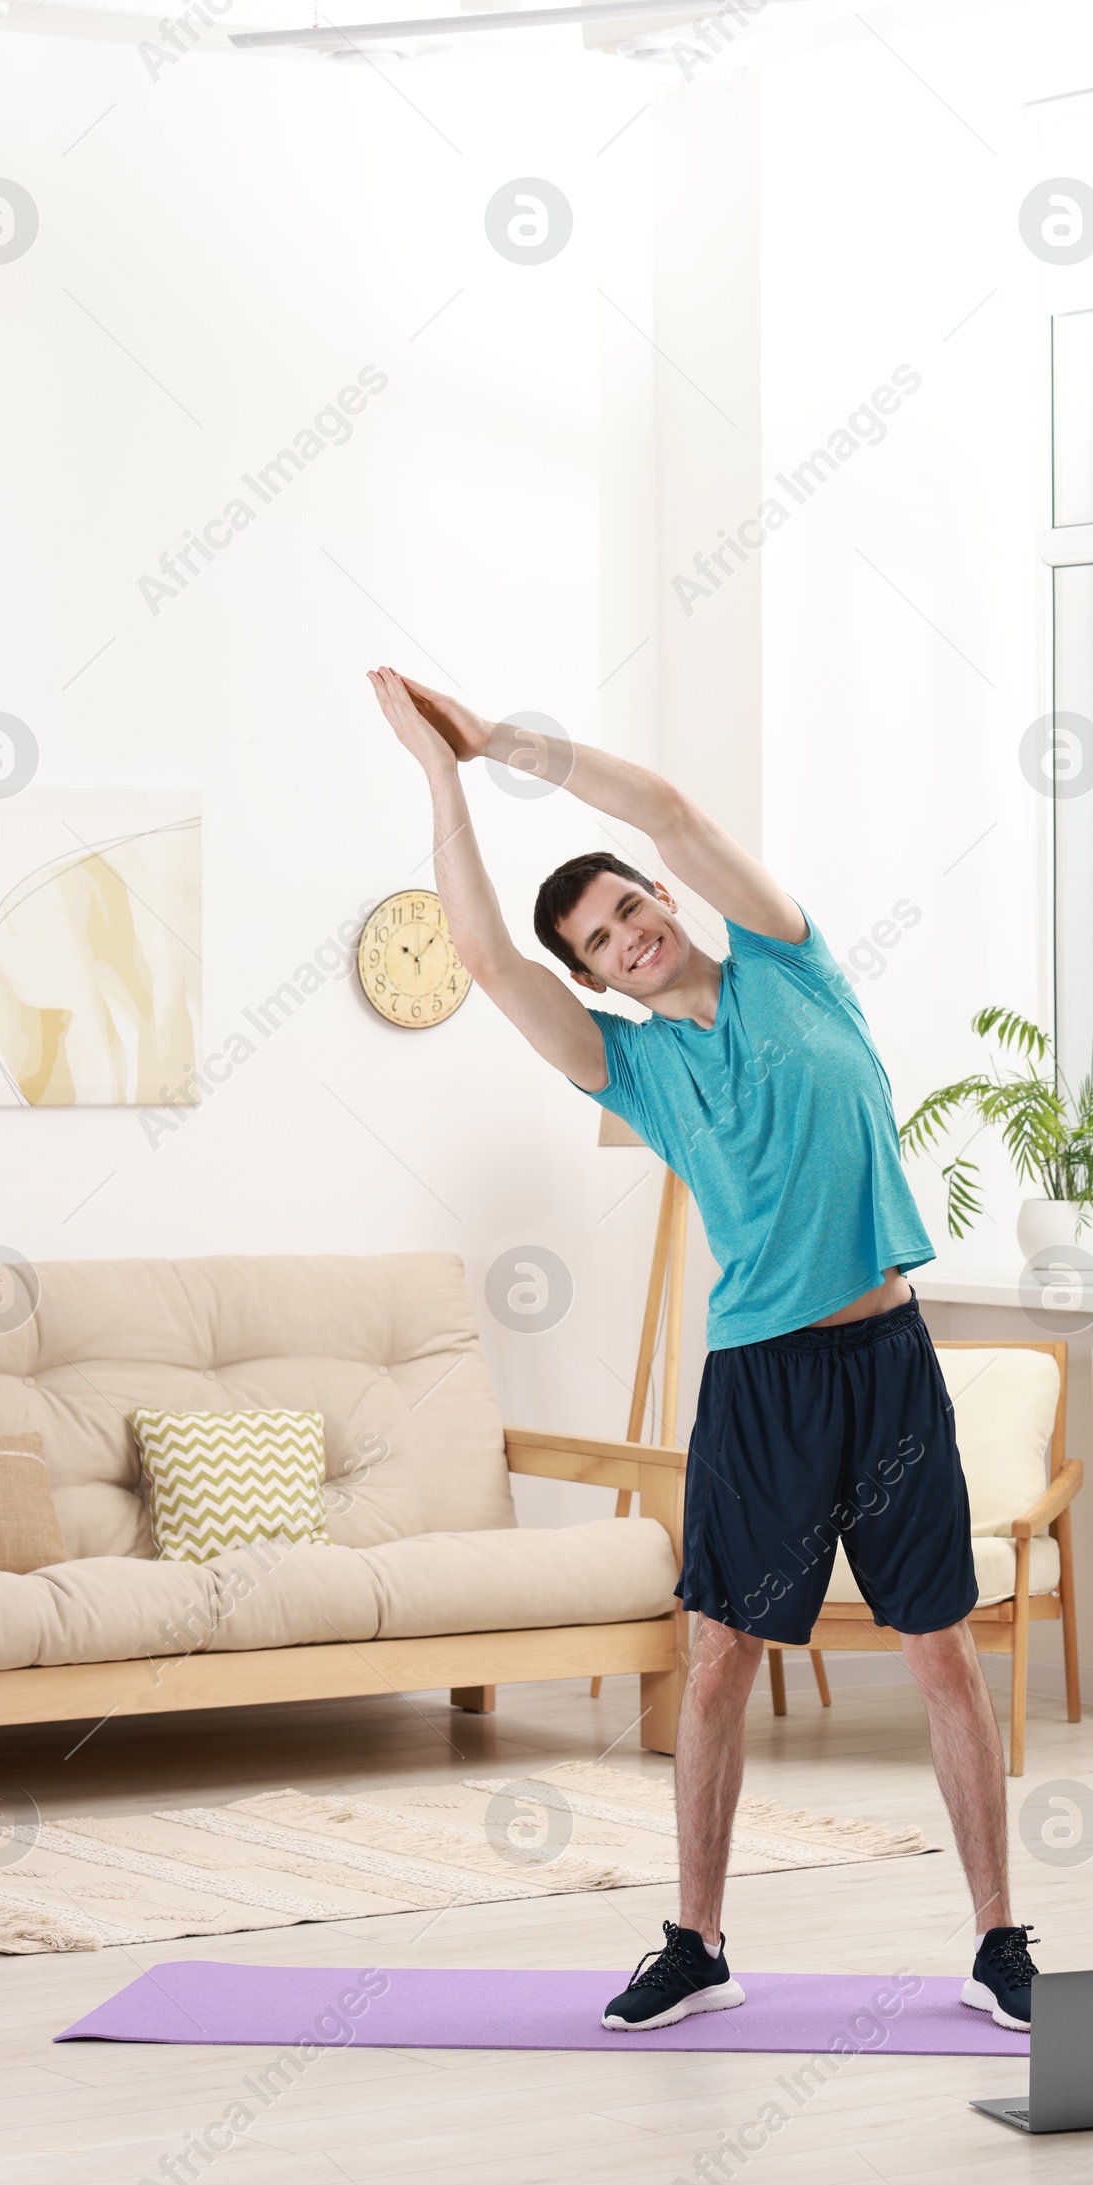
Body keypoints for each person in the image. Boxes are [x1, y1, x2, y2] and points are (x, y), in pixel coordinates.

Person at [368, 667, 1037, 2033]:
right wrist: (442, 784)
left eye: (631, 907)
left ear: (665, 904)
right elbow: (489, 961)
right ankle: (698, 1938)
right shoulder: (633, 1071)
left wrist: (502, 742)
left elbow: (665, 807)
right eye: (601, 942)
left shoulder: (795, 963)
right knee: (719, 1659)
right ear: (595, 977)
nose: (628, 936)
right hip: (763, 1387)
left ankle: (1000, 1941)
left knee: (942, 1653)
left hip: (890, 1362)